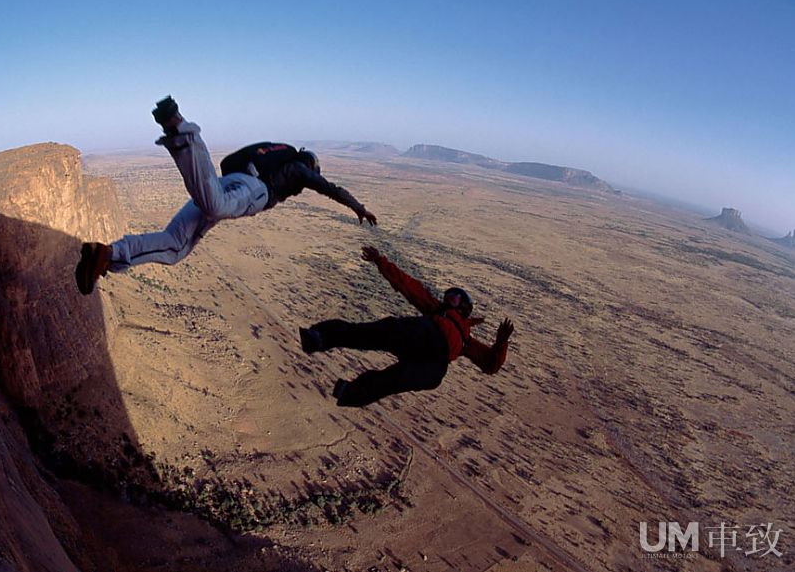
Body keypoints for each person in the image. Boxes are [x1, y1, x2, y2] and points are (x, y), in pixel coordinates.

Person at [76, 96, 377, 294]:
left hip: (230, 180)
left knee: (176, 247)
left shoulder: (273, 153)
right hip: (254, 191)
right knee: (216, 206)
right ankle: (182, 130)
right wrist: (357, 207)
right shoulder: (297, 168)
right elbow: (327, 187)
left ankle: (106, 254)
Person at [299, 246, 514, 407]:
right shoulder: (438, 311)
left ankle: (350, 393)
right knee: (367, 333)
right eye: (448, 295)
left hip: (433, 361)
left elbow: (490, 365)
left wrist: (501, 343)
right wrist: (380, 262)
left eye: (455, 297)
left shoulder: (466, 340)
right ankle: (318, 337)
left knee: (395, 379)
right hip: (422, 335)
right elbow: (408, 286)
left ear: (466, 307)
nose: (449, 299)